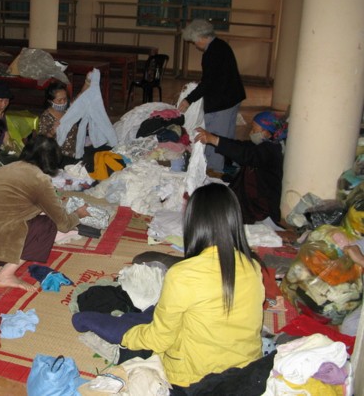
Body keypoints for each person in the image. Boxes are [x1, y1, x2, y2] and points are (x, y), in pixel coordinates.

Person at [121, 183, 264, 390]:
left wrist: (126, 335)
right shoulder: (253, 267)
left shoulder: (182, 275)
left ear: (194, 223)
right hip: (248, 373)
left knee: (128, 335)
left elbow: (159, 339)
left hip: (197, 379)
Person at [0, 135, 89, 291]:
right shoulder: (39, 179)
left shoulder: (5, 169)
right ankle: (5, 275)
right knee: (47, 224)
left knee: (27, 217)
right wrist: (78, 214)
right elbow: (63, 224)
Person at [194, 110, 288, 224]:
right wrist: (212, 137)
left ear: (267, 133)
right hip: (250, 200)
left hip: (260, 208)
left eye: (254, 130)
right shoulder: (262, 146)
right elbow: (238, 145)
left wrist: (214, 140)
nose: (251, 133)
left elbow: (245, 155)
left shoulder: (270, 150)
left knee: (214, 211)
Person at [178, 19, 246, 173]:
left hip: (222, 102)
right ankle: (229, 164)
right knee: (227, 135)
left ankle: (214, 170)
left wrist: (188, 99)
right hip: (232, 97)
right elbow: (214, 77)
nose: (195, 45)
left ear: (202, 37)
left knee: (214, 136)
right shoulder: (221, 45)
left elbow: (208, 82)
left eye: (195, 41)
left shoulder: (211, 53)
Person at [38, 81, 79, 165]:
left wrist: (88, 81)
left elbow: (80, 98)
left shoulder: (68, 111)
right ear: (50, 101)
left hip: (74, 153)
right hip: (58, 157)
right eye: (59, 100)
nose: (63, 102)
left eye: (65, 99)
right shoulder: (46, 117)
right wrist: (52, 131)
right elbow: (42, 142)